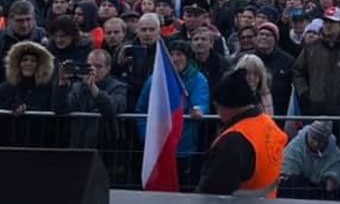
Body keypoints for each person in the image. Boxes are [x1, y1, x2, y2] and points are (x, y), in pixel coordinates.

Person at [196, 69, 287, 196]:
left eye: (217, 106)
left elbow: (212, 191)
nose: (218, 113)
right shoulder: (269, 124)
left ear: (228, 106)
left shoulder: (232, 141)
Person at [137, 39, 209, 186]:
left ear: (187, 57)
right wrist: (147, 136)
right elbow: (141, 110)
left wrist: (198, 109)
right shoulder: (154, 80)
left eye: (179, 54)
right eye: (171, 54)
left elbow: (201, 101)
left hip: (185, 148)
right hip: (158, 149)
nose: (175, 58)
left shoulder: (198, 79)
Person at [53, 48, 127, 147]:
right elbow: (60, 109)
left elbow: (112, 108)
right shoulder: (77, 87)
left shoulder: (118, 87)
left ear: (108, 68)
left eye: (98, 66)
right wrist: (62, 83)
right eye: (90, 66)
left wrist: (92, 87)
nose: (93, 70)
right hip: (78, 146)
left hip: (106, 148)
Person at [293, 7, 340, 116]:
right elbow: (298, 71)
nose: (327, 25)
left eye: (332, 22)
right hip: (315, 109)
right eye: (326, 21)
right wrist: (304, 93)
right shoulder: (311, 47)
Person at [280, 120, 340, 200]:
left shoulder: (334, 152)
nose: (316, 143)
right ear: (309, 135)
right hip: (297, 189)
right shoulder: (295, 146)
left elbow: (336, 170)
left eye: (320, 141)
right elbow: (287, 169)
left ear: (326, 141)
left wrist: (332, 178)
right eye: (313, 138)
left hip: (320, 191)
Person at [0, 1, 47, 84]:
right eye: (20, 21)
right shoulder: (2, 39)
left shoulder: (43, 36)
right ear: (10, 20)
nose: (25, 25)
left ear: (34, 18)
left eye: (28, 19)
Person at [0, 40, 54, 113]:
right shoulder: (5, 88)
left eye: (33, 60)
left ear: (40, 64)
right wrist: (10, 107)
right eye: (24, 60)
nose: (28, 63)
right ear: (17, 63)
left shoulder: (48, 88)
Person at [254, 21, 294, 116]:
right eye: (261, 34)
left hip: (280, 111)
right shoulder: (250, 59)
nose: (264, 37)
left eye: (268, 35)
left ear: (275, 39)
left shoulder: (287, 61)